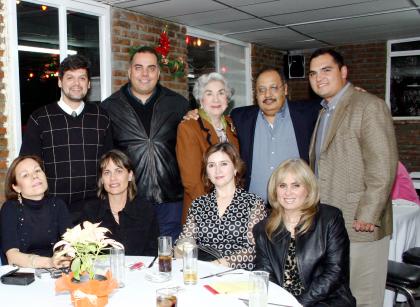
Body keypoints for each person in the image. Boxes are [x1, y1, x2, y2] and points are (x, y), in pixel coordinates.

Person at [308, 48, 398, 306]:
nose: (319, 78)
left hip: (360, 223)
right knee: (341, 297)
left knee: (364, 296)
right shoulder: (324, 111)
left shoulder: (369, 106)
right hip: (330, 224)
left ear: (343, 72)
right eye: (313, 73)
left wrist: (369, 213)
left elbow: (383, 165)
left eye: (326, 70)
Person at [101, 46, 189, 241]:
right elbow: (105, 158)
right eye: (138, 67)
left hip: (171, 201)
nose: (145, 74)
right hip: (130, 201)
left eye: (151, 68)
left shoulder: (178, 104)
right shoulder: (109, 108)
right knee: (135, 260)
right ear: (129, 71)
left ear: (158, 72)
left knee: (170, 261)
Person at [20, 55, 113, 224]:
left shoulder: (102, 117)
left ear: (89, 84)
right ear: (60, 82)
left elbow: (110, 163)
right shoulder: (40, 118)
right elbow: (27, 164)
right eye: (70, 77)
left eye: (82, 78)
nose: (76, 84)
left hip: (96, 208)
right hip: (52, 208)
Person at [253, 159, 355, 306]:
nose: (288, 192)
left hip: (326, 301)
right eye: (282, 186)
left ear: (308, 189)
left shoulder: (330, 219)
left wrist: (297, 304)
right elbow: (265, 272)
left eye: (296, 185)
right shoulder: (263, 229)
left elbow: (334, 273)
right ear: (275, 190)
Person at [176, 143, 267, 270]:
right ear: (207, 172)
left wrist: (219, 264)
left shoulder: (254, 203)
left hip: (239, 274)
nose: (217, 170)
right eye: (211, 165)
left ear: (235, 168)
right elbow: (186, 239)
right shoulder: (199, 204)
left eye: (224, 164)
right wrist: (179, 252)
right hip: (203, 271)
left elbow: (254, 249)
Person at [176, 72, 239, 223]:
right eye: (209, 93)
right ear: (200, 99)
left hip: (233, 208)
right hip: (203, 212)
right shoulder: (189, 127)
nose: (216, 99)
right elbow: (192, 182)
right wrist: (215, 212)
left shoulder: (231, 124)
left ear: (227, 98)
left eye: (221, 93)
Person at [82, 150, 159, 256]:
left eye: (119, 171)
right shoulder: (91, 212)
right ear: (102, 179)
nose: (113, 178)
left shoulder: (145, 209)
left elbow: (153, 253)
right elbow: (85, 255)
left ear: (130, 175)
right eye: (107, 172)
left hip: (141, 271)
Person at [0, 155, 72, 268]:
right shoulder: (10, 208)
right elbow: (12, 256)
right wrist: (49, 262)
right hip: (22, 275)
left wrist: (66, 258)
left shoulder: (58, 204)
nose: (35, 176)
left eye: (37, 170)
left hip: (56, 273)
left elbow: (70, 244)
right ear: (16, 187)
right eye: (25, 175)